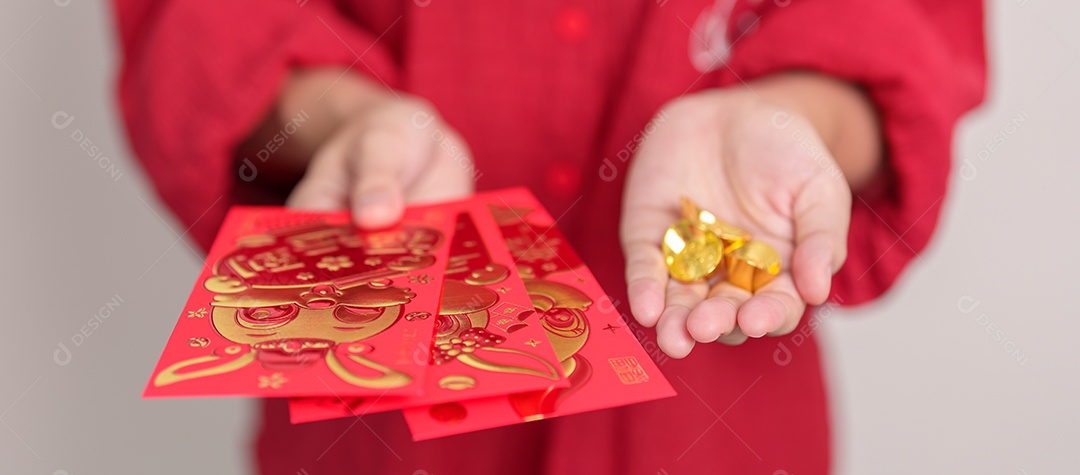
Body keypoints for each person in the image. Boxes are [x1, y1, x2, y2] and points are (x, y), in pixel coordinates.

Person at [112, 1, 985, 473]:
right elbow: (196, 28)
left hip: (706, 427)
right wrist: (347, 122)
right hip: (371, 428)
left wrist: (788, 114)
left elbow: (909, 34)